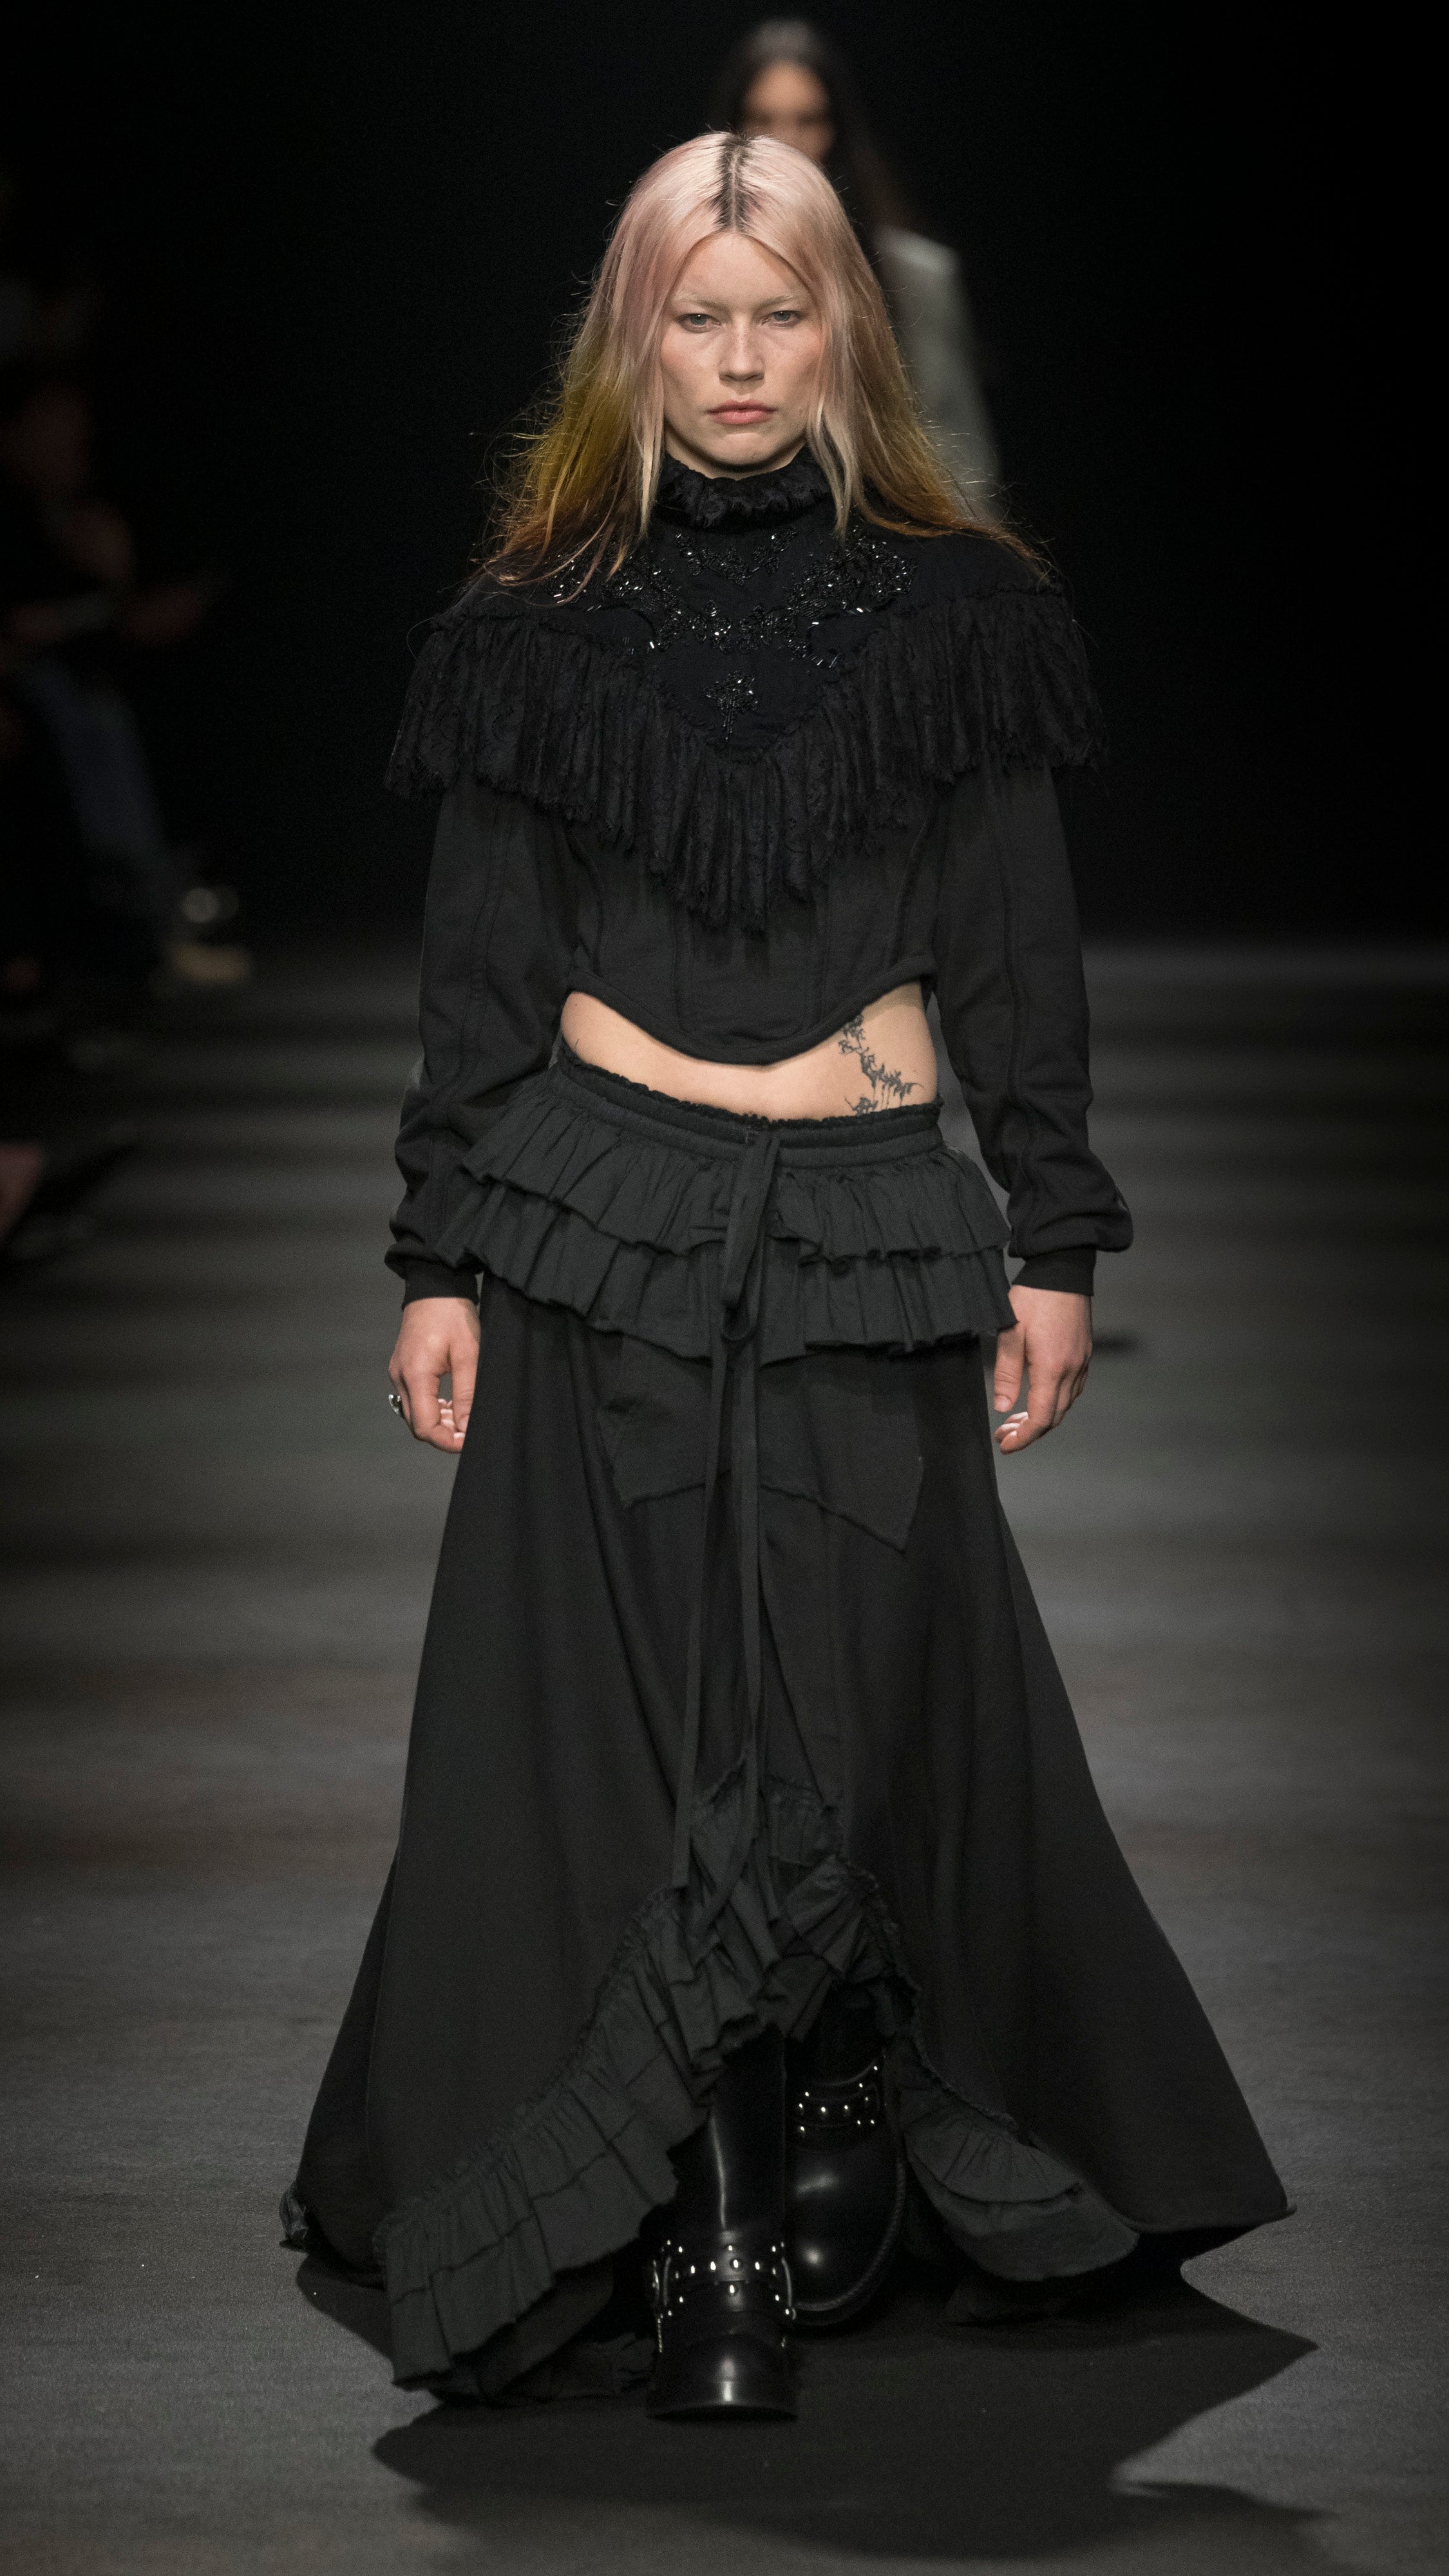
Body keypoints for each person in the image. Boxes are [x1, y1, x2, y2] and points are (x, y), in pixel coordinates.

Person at [283, 131, 1286, 2420]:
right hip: (600, 1207)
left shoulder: (958, 611)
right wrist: (435, 1253)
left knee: (845, 1684)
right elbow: (481, 966)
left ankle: (833, 2069)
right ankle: (708, 2214)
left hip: (859, 1210)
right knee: (647, 1715)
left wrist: (1055, 1230)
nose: (738, 361)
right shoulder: (533, 619)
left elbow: (1017, 948)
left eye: (780, 313)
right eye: (696, 316)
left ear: (847, 332)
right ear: (630, 339)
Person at [711, 19, 1003, 512]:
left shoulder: (916, 281)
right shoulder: (686, 275)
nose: (785, 144)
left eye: (808, 120)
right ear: (731, 131)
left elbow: (961, 461)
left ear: (839, 132)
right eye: (763, 119)